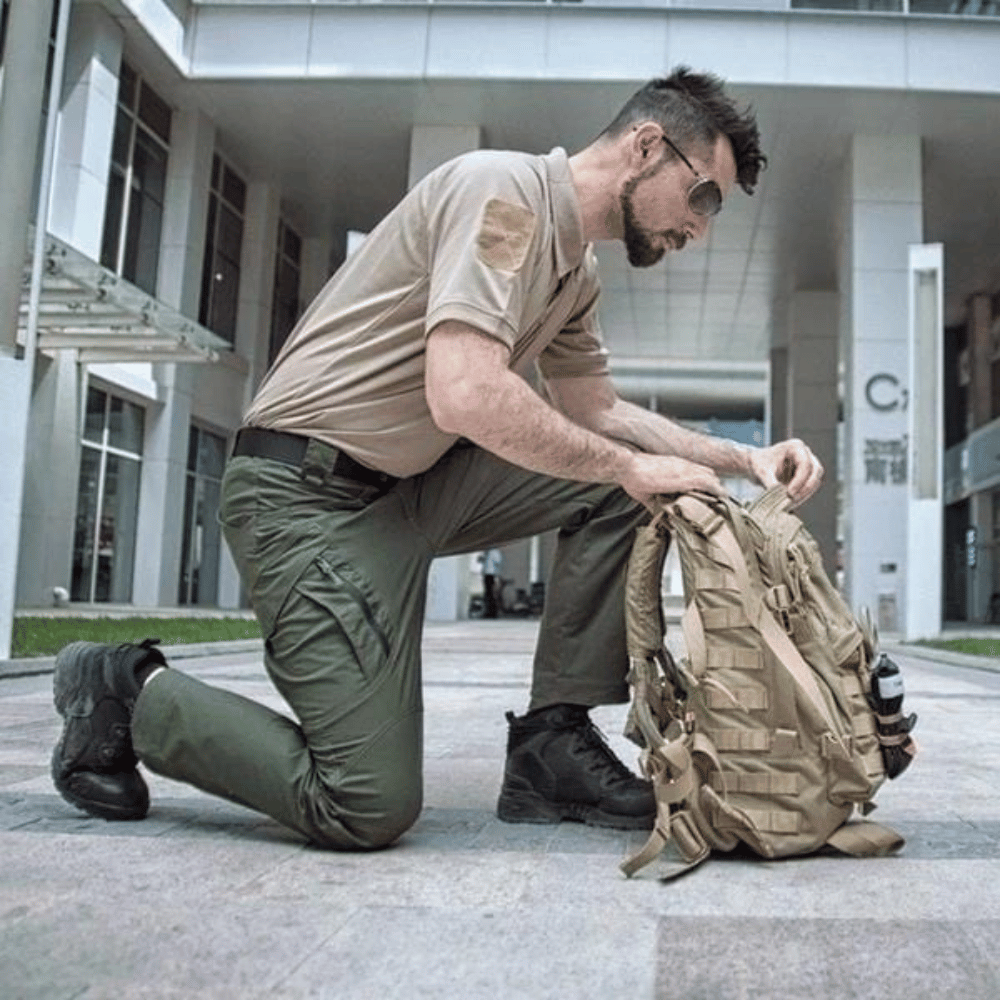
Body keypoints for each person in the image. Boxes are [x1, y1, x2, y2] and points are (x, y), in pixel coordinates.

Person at [50, 68, 823, 847]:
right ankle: (124, 688)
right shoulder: (504, 196)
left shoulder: (573, 270)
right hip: (303, 497)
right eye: (706, 198)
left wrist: (742, 457)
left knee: (625, 483)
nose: (702, 229)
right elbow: (464, 393)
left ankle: (551, 745)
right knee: (364, 806)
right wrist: (627, 465)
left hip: (412, 488)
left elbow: (600, 412)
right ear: (646, 146)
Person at [479, 548, 503, 618]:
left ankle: (492, 613)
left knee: (491, 594)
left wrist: (497, 575)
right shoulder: (486, 551)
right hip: (486, 574)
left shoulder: (495, 551)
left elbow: (498, 563)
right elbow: (482, 561)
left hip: (491, 574)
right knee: (487, 594)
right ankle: (488, 612)